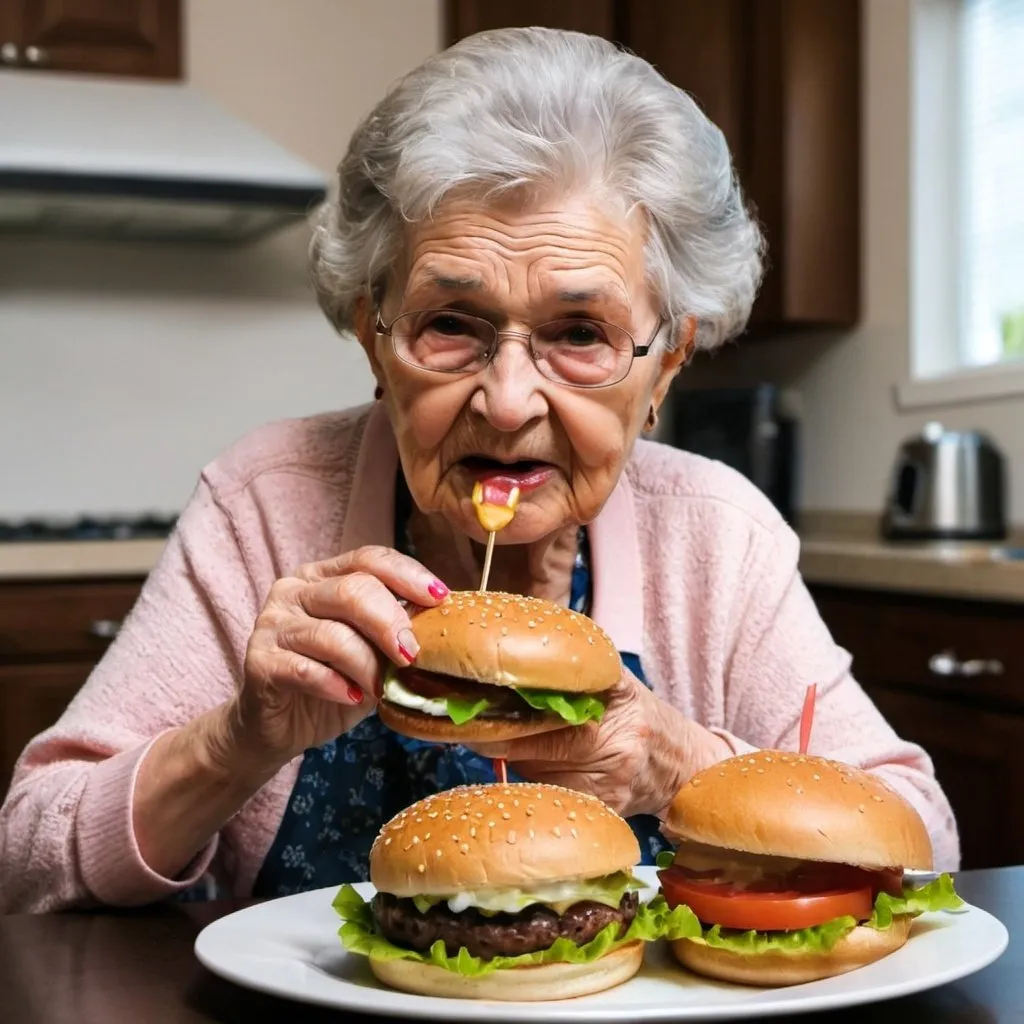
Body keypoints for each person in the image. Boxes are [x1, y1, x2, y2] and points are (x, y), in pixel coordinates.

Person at [0, 28, 958, 912]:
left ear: (666, 362)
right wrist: (233, 741)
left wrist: (686, 767)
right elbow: (28, 859)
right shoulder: (267, 500)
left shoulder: (716, 534)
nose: (507, 401)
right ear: (376, 339)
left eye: (580, 333)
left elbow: (924, 844)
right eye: (450, 324)